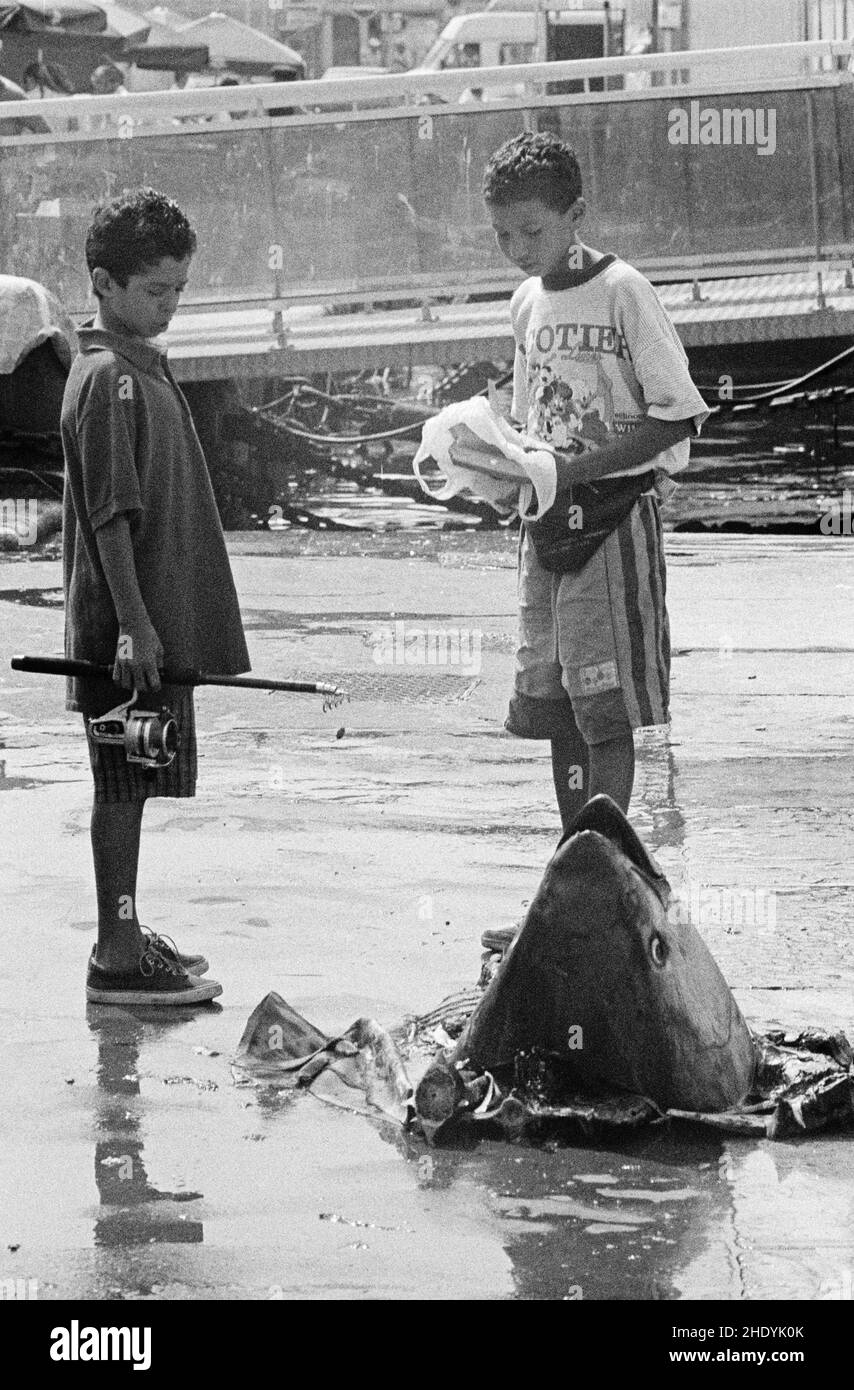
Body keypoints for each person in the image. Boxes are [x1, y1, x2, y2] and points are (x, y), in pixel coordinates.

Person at [463, 130, 708, 837]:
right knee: (558, 702)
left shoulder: (623, 292)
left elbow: (679, 419)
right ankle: (573, 863)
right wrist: (493, 462)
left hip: (612, 517)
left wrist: (573, 470)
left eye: (532, 230)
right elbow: (527, 417)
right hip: (544, 525)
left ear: (576, 214)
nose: (517, 248)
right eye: (502, 234)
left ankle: (606, 859)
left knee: (605, 705)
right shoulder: (525, 302)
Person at [61, 187, 251, 1005]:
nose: (169, 305)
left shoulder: (143, 367)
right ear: (103, 283)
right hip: (122, 630)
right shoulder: (107, 378)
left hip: (149, 619)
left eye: (178, 288)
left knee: (138, 780)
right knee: (120, 785)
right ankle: (115, 950)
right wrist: (135, 628)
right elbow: (110, 514)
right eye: (153, 291)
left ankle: (130, 929)